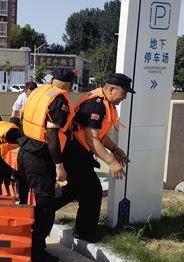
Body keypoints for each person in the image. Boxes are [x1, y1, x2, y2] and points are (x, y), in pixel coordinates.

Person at [54, 73, 133, 242]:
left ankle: (37, 211)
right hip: (74, 152)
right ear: (111, 89)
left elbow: (99, 135)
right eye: (124, 93)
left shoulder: (103, 103)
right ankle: (84, 232)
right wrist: (111, 162)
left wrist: (114, 149)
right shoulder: (95, 105)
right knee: (92, 191)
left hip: (79, 152)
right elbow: (92, 139)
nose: (124, 97)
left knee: (73, 190)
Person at [18, 67, 75, 262]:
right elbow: (51, 134)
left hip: (25, 151)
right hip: (40, 158)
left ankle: (25, 242)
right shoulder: (59, 99)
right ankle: (37, 250)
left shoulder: (38, 92)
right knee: (46, 205)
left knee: (26, 202)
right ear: (70, 85)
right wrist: (59, 164)